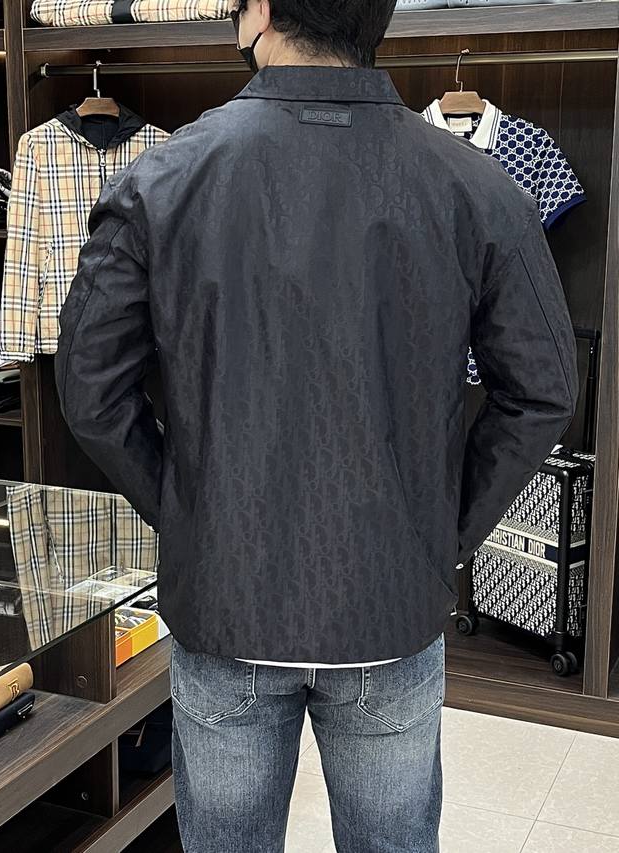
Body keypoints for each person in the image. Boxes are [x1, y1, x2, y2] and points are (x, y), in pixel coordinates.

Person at [54, 1, 579, 850]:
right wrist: (443, 529)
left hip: (226, 601)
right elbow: (545, 389)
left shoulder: (163, 178)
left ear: (259, 10)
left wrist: (189, 513)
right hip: (389, 603)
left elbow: (89, 386)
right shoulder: (476, 185)